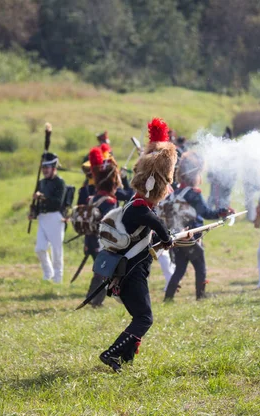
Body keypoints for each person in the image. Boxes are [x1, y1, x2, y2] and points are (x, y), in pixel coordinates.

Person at [98, 117, 178, 372]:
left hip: (130, 271)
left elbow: (153, 235)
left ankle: (124, 359)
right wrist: (168, 238)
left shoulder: (138, 206)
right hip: (131, 274)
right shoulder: (141, 209)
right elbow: (159, 229)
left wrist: (173, 238)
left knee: (140, 317)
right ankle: (110, 354)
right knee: (145, 318)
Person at [163, 151, 233, 301]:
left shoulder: (175, 193)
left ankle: (168, 298)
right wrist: (223, 212)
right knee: (200, 267)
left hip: (177, 238)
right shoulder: (193, 193)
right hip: (190, 237)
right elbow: (206, 213)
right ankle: (200, 297)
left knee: (180, 270)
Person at [83, 147, 125, 307]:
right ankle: (95, 301)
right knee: (103, 273)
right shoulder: (109, 202)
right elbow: (112, 225)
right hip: (103, 243)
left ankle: (92, 299)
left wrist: (87, 244)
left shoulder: (91, 199)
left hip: (92, 241)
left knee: (101, 272)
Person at [30, 153, 67, 283]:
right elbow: (39, 204)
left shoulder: (60, 183)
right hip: (42, 218)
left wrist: (41, 197)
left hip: (55, 218)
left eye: (47, 167)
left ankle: (58, 278)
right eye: (43, 167)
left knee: (56, 251)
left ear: (53, 168)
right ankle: (48, 272)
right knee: (40, 248)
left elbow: (57, 203)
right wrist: (33, 212)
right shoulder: (41, 183)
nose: (45, 170)